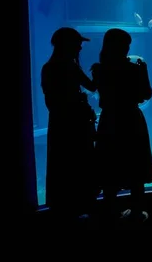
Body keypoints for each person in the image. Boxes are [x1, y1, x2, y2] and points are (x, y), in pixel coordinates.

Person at [91, 28, 152, 223]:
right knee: (136, 165)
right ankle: (136, 211)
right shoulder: (135, 68)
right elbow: (146, 93)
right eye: (126, 44)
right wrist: (142, 70)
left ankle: (109, 212)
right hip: (130, 119)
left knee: (109, 166)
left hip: (109, 120)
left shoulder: (99, 69)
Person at [41, 27, 98, 222]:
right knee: (78, 165)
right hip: (73, 126)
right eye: (77, 43)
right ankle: (78, 208)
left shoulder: (52, 67)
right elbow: (91, 86)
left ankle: (65, 210)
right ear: (67, 44)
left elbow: (52, 103)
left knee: (63, 167)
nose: (80, 47)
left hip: (62, 125)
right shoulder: (67, 67)